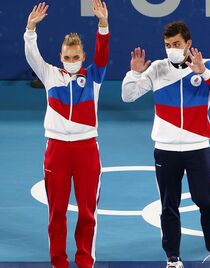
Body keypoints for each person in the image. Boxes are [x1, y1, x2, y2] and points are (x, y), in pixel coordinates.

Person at [121, 21, 210, 268]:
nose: (171, 49)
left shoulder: (207, 65)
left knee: (207, 203)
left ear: (188, 44)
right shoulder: (157, 69)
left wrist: (203, 73)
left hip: (197, 148)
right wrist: (136, 73)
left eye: (177, 44)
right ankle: (173, 259)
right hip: (166, 149)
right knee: (168, 206)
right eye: (168, 45)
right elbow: (128, 96)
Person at [24, 1, 110, 267]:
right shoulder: (50, 75)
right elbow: (32, 56)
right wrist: (30, 29)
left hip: (86, 150)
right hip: (57, 150)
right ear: (61, 57)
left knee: (88, 213)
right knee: (57, 212)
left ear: (83, 57)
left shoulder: (94, 77)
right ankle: (58, 261)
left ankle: (85, 260)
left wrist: (103, 26)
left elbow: (103, 53)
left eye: (76, 57)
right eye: (67, 57)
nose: (71, 61)